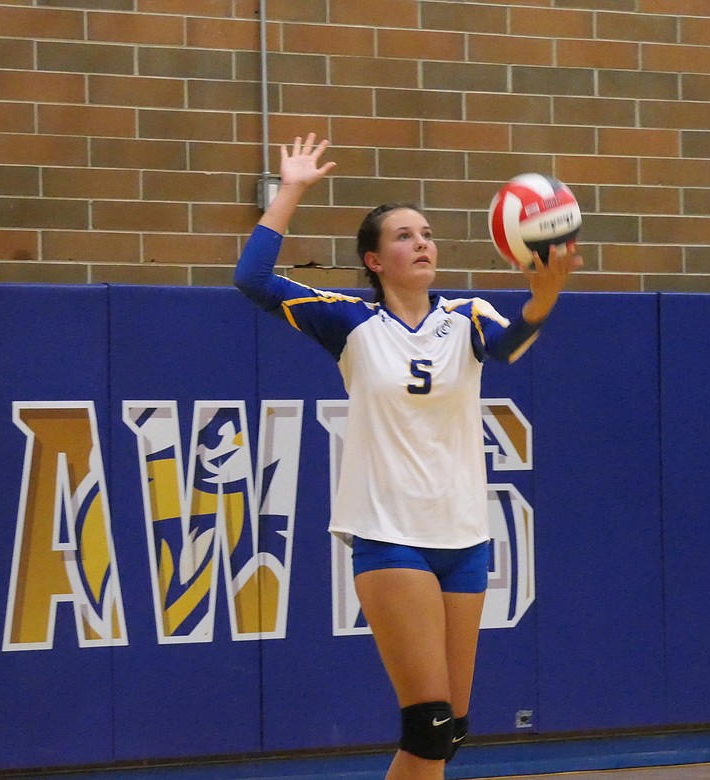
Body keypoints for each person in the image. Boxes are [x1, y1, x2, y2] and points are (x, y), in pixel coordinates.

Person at [234, 134, 580, 780]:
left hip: (464, 538)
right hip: (391, 538)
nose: (421, 242)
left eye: (426, 233)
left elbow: (508, 350)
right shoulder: (349, 323)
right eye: (403, 236)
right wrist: (292, 190)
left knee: (449, 734)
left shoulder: (466, 318)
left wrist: (540, 303)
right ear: (374, 259)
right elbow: (250, 278)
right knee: (426, 723)